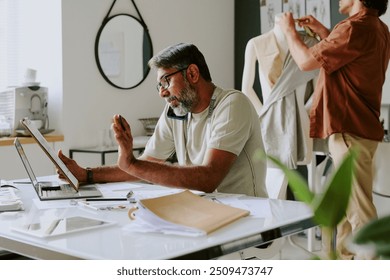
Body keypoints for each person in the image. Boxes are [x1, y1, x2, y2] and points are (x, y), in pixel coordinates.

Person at [58, 43, 268, 198]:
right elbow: (147, 165)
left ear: (193, 73)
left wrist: (132, 163)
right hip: (202, 212)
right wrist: (86, 175)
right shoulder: (176, 110)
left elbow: (208, 179)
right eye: (159, 85)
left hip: (247, 218)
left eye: (166, 81)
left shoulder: (232, 104)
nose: (162, 93)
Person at [279, 0, 390, 259]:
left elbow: (306, 61)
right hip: (362, 130)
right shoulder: (377, 29)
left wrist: (289, 32)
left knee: (359, 216)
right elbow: (350, 57)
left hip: (349, 131)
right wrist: (325, 33)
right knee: (347, 218)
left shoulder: (353, 28)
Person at [242, 13, 319, 199]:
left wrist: (306, 112)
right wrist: (264, 114)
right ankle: (275, 227)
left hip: (302, 121)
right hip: (268, 125)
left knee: (312, 181)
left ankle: (314, 228)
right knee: (274, 184)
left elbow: (318, 89)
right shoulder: (256, 44)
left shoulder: (308, 45)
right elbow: (246, 89)